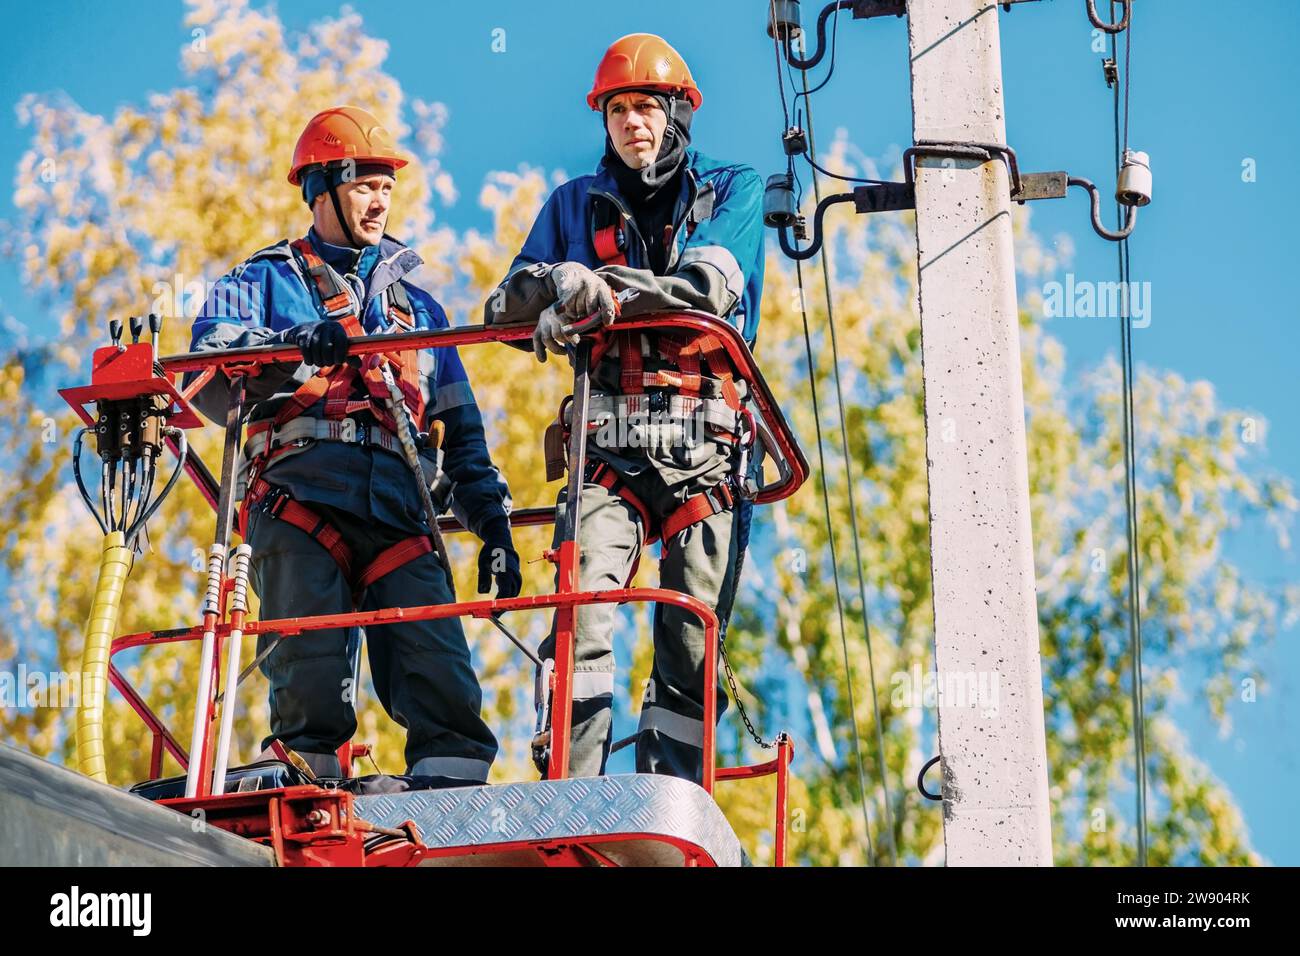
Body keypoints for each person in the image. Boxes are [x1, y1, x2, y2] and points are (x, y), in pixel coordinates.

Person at [189, 105, 520, 784]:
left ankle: (450, 809)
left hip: (400, 510)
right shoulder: (261, 283)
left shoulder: (419, 312)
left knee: (444, 684)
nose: (380, 199)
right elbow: (206, 370)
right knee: (310, 688)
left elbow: (461, 436)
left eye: (386, 186)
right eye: (365, 184)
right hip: (301, 500)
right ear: (322, 190)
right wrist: (288, 350)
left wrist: (495, 529)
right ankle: (307, 800)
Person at [484, 35, 765, 784]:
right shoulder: (573, 205)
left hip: (706, 450)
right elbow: (502, 310)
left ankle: (668, 800)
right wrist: (553, 282)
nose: (632, 122)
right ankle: (573, 790)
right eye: (618, 109)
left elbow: (708, 288)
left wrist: (602, 291)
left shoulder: (732, 191)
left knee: (691, 638)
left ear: (678, 115)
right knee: (581, 616)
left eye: (646, 106)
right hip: (608, 451)